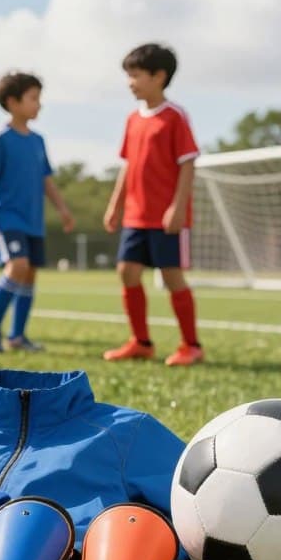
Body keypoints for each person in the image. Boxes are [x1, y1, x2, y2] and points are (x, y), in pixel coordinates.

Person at [102, 43, 203, 367]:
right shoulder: (133, 119)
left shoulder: (174, 116)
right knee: (127, 272)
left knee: (172, 276)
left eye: (136, 75)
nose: (130, 82)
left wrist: (177, 206)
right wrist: (115, 205)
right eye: (128, 76)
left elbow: (188, 164)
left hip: (165, 217)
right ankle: (141, 342)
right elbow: (128, 166)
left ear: (159, 77)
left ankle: (191, 345)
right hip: (135, 215)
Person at [0, 71, 75, 354]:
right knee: (17, 266)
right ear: (12, 102)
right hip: (8, 217)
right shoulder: (0, 138)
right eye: (33, 98)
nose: (39, 104)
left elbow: (46, 180)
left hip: (33, 221)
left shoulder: (38, 140)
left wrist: (63, 209)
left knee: (30, 274)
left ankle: (17, 336)